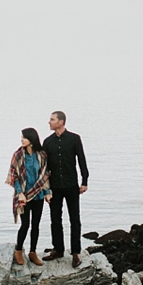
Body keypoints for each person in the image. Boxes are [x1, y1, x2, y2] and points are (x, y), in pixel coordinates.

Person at [42, 111, 88, 268]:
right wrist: (46, 190)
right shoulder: (47, 142)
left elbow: (81, 160)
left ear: (61, 122)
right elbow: (44, 168)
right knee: (55, 219)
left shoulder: (74, 139)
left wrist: (84, 181)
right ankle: (58, 249)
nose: (49, 122)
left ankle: (75, 253)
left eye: (52, 120)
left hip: (71, 186)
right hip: (54, 187)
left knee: (75, 219)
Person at [5, 127, 52, 266]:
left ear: (31, 140)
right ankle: (18, 250)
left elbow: (45, 175)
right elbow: (15, 176)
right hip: (24, 195)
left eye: (24, 137)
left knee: (36, 225)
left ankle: (33, 252)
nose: (21, 140)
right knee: (25, 224)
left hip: (38, 194)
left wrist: (47, 192)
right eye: (21, 137)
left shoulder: (42, 155)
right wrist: (20, 193)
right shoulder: (18, 155)